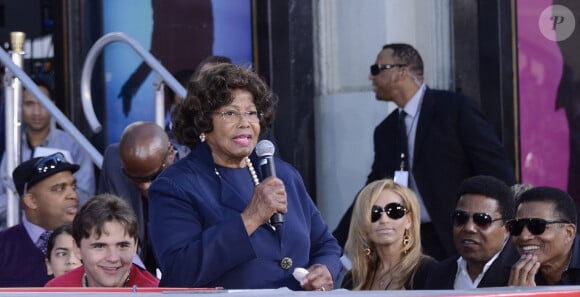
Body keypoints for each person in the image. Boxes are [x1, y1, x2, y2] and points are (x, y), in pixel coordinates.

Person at [148, 63, 342, 289]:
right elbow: (180, 271)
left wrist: (325, 268)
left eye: (251, 112)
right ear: (203, 121)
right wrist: (250, 218)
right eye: (230, 113)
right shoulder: (175, 186)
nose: (245, 123)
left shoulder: (284, 175)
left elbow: (326, 244)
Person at [333, 43, 516, 260]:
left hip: (459, 235)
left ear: (401, 71)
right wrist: (333, 243)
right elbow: (373, 190)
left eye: (377, 69)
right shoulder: (385, 130)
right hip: (411, 243)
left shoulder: (455, 110)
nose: (371, 77)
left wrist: (510, 230)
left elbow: (496, 171)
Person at [0, 78, 95, 225]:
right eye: (29, 104)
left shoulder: (72, 145)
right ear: (20, 107)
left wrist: (43, 200)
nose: (36, 112)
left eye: (43, 104)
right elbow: (3, 200)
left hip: (64, 232)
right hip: (22, 230)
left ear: (53, 106)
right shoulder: (12, 147)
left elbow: (87, 198)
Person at [98, 121, 189, 274]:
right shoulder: (114, 161)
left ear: (171, 154)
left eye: (154, 177)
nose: (147, 187)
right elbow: (106, 226)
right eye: (138, 180)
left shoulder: (192, 172)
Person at [424, 175, 519, 289]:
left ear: (507, 228)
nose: (469, 228)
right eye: (460, 218)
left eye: (482, 220)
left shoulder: (523, 275)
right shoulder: (437, 274)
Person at [0, 152, 80, 286]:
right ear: (31, 201)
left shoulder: (90, 243)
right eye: (59, 188)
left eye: (73, 187)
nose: (73, 195)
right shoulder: (3, 247)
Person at [45, 193, 159, 287]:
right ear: (77, 249)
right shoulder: (56, 291)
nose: (113, 258)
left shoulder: (155, 293)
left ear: (135, 247)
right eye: (99, 246)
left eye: (123, 245)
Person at [341, 179, 435, 290]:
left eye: (394, 211)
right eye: (374, 213)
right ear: (363, 223)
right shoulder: (353, 279)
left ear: (409, 220)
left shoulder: (428, 272)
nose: (384, 220)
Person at [508, 186, 580, 285]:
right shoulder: (508, 267)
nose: (524, 236)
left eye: (537, 226)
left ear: (568, 233)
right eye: (517, 226)